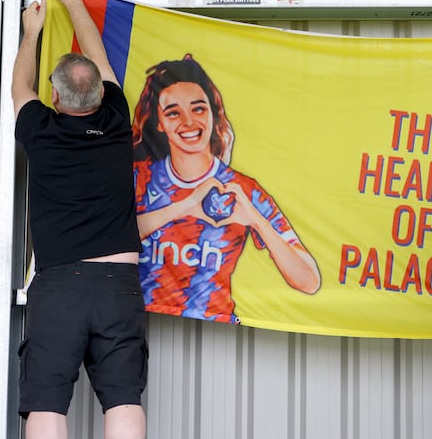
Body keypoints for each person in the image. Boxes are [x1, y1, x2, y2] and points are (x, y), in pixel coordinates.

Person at [12, 0, 146, 439]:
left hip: (59, 287)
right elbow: (100, 57)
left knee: (47, 403)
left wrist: (32, 34)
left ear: (55, 98)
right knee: (124, 399)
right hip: (119, 284)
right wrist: (72, 1)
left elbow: (19, 86)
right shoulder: (115, 120)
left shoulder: (39, 129)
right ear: (99, 95)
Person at [131, 54, 321, 323]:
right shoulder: (139, 178)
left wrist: (255, 219)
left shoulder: (244, 190)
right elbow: (105, 238)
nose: (188, 122)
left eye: (198, 108)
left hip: (217, 332)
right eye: (173, 112)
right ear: (159, 123)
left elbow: (309, 281)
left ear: (213, 112)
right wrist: (186, 206)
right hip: (144, 323)